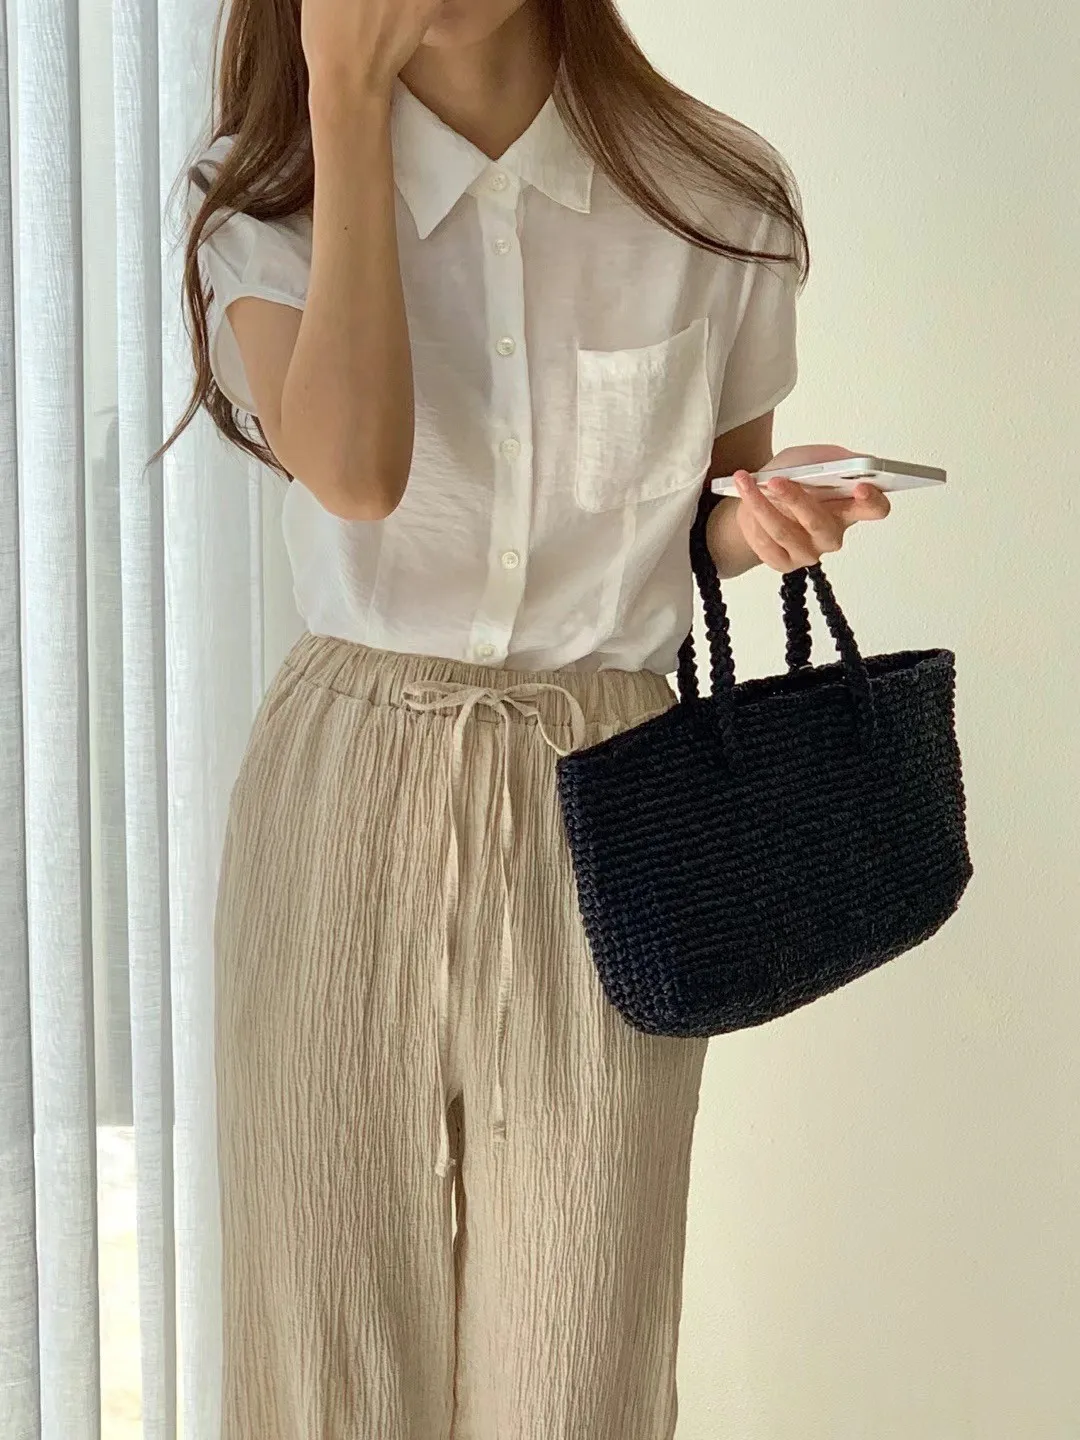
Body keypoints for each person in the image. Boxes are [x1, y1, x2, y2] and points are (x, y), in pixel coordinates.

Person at [156, 0, 891, 1435]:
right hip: (350, 775)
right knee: (321, 1340)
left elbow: (692, 525)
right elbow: (355, 475)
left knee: (582, 1340)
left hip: (610, 775)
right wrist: (344, 102)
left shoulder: (714, 193)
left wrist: (760, 520)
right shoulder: (270, 201)